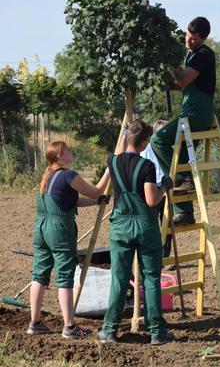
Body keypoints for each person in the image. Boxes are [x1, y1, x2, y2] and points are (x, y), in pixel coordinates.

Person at [97, 121, 174, 345]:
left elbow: (120, 153)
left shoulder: (112, 162)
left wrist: (125, 132)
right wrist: (164, 187)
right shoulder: (147, 166)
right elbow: (151, 200)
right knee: (151, 278)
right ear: (144, 143)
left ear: (127, 137)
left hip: (120, 226)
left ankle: (109, 329)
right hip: (145, 227)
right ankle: (156, 332)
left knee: (119, 279)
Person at [27, 141, 110, 339]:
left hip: (41, 228)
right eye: (69, 150)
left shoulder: (48, 175)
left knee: (39, 274)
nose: (72, 152)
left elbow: (70, 202)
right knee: (64, 277)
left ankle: (34, 323)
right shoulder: (68, 175)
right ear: (61, 155)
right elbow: (96, 190)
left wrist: (94, 203)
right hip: (59, 230)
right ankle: (70, 327)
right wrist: (110, 170)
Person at [151, 16, 216, 225]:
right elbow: (180, 85)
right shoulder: (192, 54)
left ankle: (181, 178)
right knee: (184, 158)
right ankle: (185, 213)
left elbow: (185, 79)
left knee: (158, 140)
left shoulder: (203, 55)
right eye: (188, 35)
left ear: (204, 38)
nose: (188, 41)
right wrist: (164, 84)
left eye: (194, 38)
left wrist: (169, 61)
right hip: (190, 111)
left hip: (197, 114)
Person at [140, 119, 172, 257]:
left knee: (168, 223)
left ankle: (165, 253)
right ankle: (153, 253)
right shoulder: (146, 148)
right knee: (151, 223)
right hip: (152, 187)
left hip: (166, 187)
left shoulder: (168, 148)